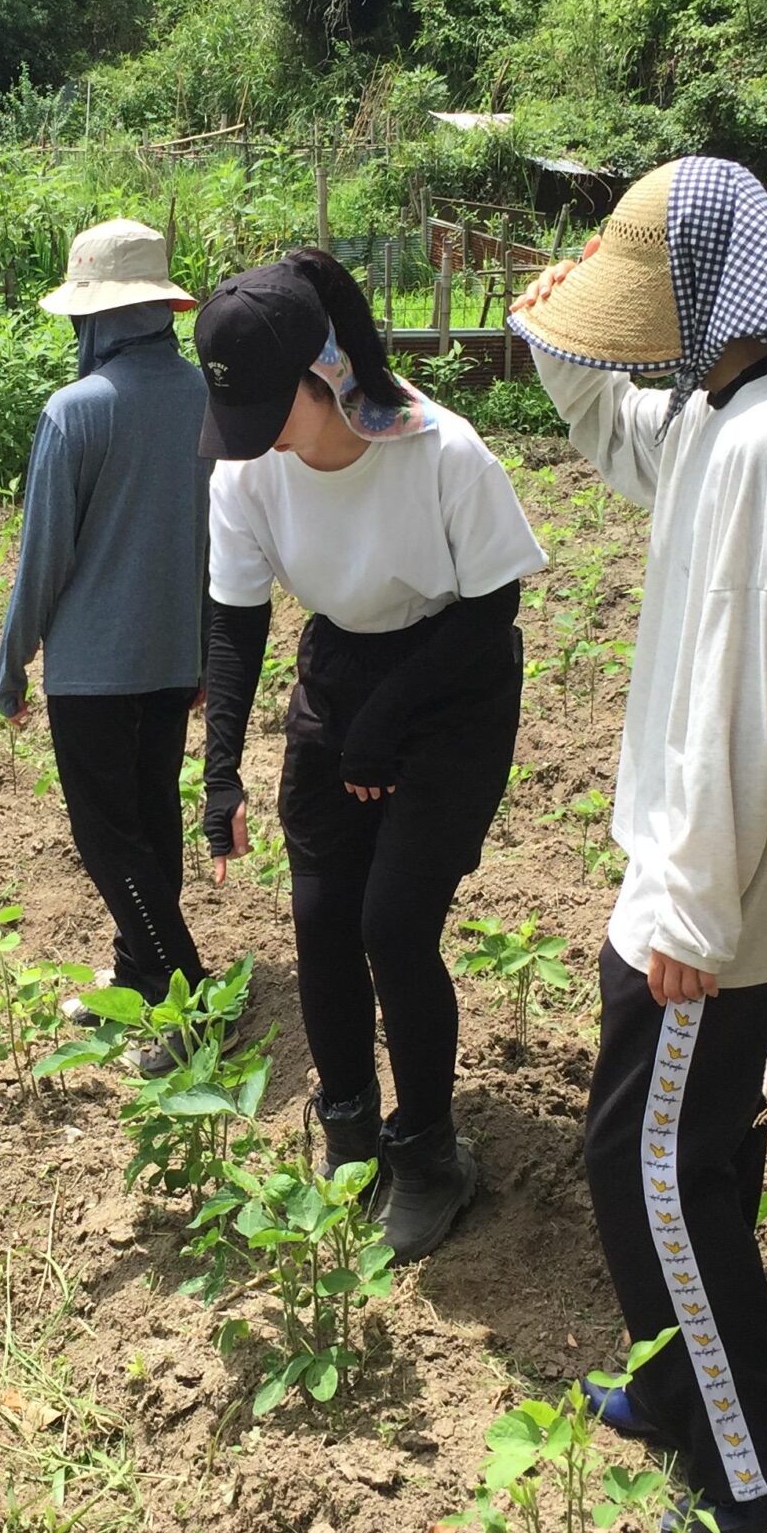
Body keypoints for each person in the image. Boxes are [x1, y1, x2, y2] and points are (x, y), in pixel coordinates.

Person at [508, 156, 767, 1533]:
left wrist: (693, 915)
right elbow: (626, 433)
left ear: (716, 285)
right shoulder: (730, 405)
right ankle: (677, 1388)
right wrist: (557, 338)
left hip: (711, 903)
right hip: (700, 883)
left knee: (646, 1175)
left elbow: (741, 697)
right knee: (694, 1166)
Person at [198, 249, 546, 1263]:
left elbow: (491, 608)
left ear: (327, 374)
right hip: (343, 676)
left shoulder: (442, 452)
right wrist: (221, 769)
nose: (252, 438)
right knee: (320, 920)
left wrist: (386, 724)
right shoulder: (247, 468)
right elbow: (235, 621)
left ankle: (431, 1155)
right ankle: (350, 1132)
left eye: (269, 410)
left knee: (392, 926)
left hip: (453, 680)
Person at [0, 219, 213, 1022]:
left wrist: (13, 661)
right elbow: (223, 541)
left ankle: (188, 1000)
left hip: (93, 667)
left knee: (108, 839)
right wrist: (207, 651)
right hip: (175, 653)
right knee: (152, 819)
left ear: (98, 317)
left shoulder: (75, 411)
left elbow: (44, 554)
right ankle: (137, 977)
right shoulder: (207, 399)